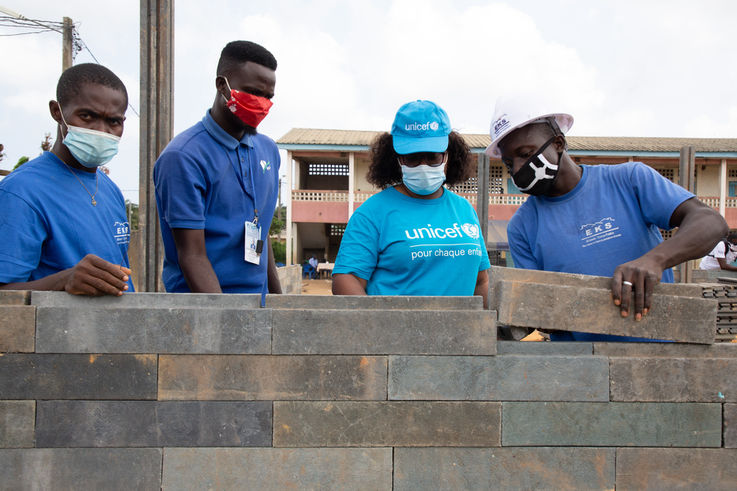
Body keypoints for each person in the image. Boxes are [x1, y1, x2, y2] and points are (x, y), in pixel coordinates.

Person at [486, 95, 727, 340]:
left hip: (659, 355)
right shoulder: (523, 226)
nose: (517, 169)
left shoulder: (629, 180)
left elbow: (711, 223)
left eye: (525, 154)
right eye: (508, 163)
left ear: (558, 143)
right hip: (583, 368)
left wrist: (655, 260)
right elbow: (539, 309)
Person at [332, 100, 491, 307]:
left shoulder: (464, 210)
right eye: (412, 158)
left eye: (433, 157)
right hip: (396, 336)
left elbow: (481, 281)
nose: (423, 165)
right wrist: (379, 326)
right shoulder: (372, 214)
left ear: (448, 155)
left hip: (461, 336)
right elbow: (346, 280)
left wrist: (490, 330)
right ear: (396, 158)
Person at [154, 41, 282, 294]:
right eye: (252, 92)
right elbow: (192, 256)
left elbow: (262, 233)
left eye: (268, 97)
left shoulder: (268, 150)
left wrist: (280, 307)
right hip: (202, 314)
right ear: (221, 85)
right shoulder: (184, 157)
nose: (261, 104)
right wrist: (224, 325)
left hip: (258, 310)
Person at [0, 63, 133, 296]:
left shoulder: (110, 190)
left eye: (114, 121)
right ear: (57, 111)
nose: (101, 131)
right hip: (58, 331)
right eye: (87, 116)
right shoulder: (21, 192)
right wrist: (64, 280)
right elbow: (4, 297)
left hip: (115, 330)